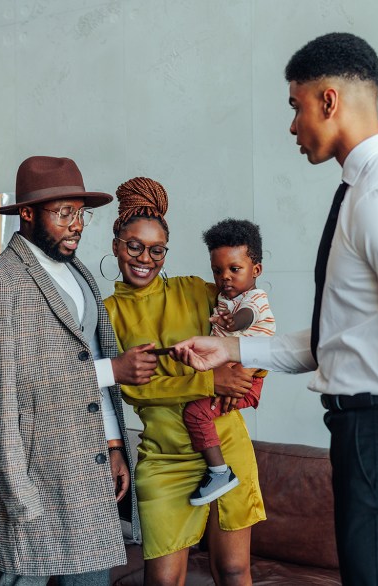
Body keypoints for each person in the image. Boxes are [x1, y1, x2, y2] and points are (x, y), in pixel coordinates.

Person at [172, 33, 378, 584]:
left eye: (296, 107)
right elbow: (338, 338)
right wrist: (234, 345)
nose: (292, 126)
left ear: (329, 101)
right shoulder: (361, 194)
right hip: (362, 438)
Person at [0, 156, 159, 586]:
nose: (77, 225)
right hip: (37, 476)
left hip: (88, 471)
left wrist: (113, 446)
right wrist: (17, 494)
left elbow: (86, 357)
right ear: (26, 214)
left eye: (80, 213)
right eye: (64, 213)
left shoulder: (79, 272)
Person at [103, 177, 265, 586]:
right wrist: (210, 384)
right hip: (163, 457)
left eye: (156, 250)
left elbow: (253, 317)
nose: (145, 258)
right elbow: (135, 390)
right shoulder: (106, 314)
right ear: (116, 245)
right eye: (134, 246)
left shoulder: (196, 290)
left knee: (233, 570)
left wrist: (247, 377)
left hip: (226, 445)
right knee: (163, 581)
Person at [182, 219, 275, 507]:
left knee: (195, 414)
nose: (225, 277)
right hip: (229, 370)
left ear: (256, 270)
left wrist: (233, 321)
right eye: (217, 270)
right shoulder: (224, 296)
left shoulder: (253, 298)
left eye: (235, 269)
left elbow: (247, 315)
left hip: (245, 377)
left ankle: (220, 472)